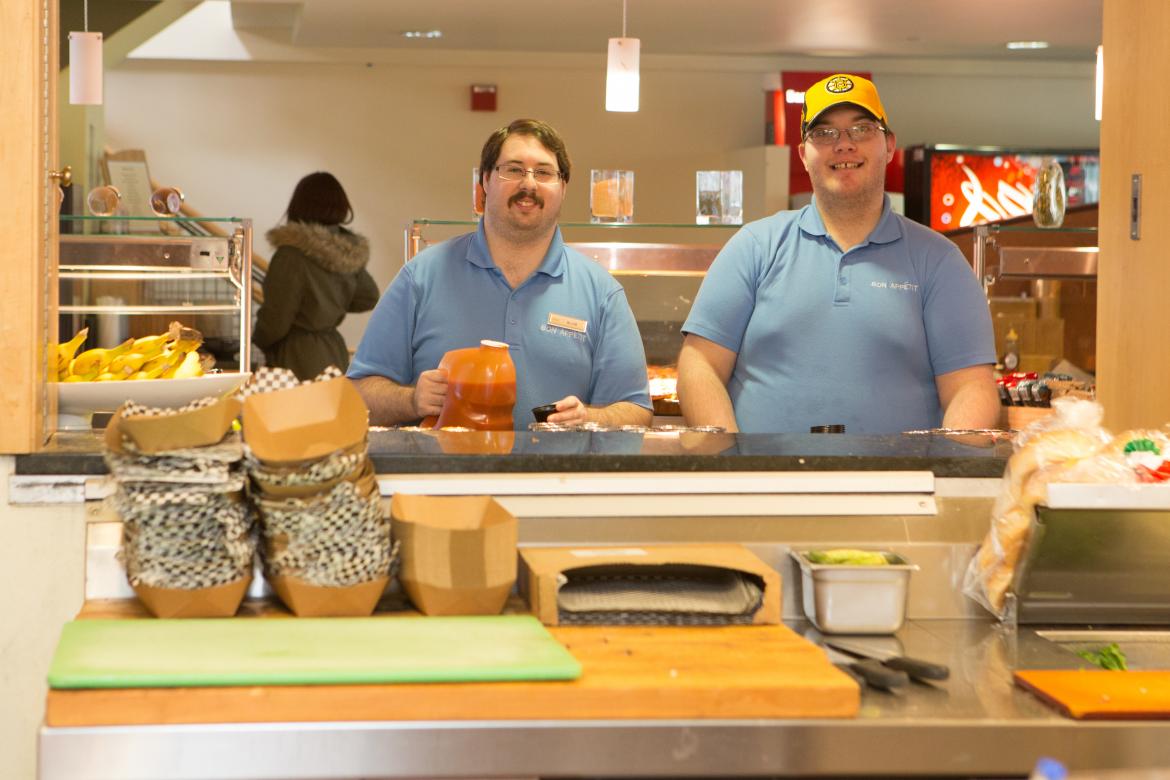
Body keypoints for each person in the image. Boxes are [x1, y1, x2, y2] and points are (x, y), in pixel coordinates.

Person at [678, 74, 999, 434]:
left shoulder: (938, 260)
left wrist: (942, 467)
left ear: (889, 146)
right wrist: (732, 463)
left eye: (861, 129)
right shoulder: (754, 246)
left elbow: (971, 387)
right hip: (765, 484)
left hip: (897, 485)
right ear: (803, 154)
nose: (843, 145)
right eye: (824, 133)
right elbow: (699, 365)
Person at [347, 118, 652, 429]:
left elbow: (636, 411)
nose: (529, 185)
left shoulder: (602, 293)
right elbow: (357, 395)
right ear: (485, 182)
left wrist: (589, 418)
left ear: (563, 188)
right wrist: (411, 400)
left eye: (544, 172)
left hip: (558, 478)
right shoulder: (420, 278)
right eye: (514, 170)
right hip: (443, 477)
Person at [253, 172, 380, 380]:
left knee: (297, 412)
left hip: (295, 357)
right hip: (334, 353)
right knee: (334, 411)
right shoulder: (347, 252)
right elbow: (369, 296)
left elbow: (276, 320)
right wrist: (332, 301)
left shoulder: (290, 256)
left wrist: (255, 340)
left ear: (299, 205)